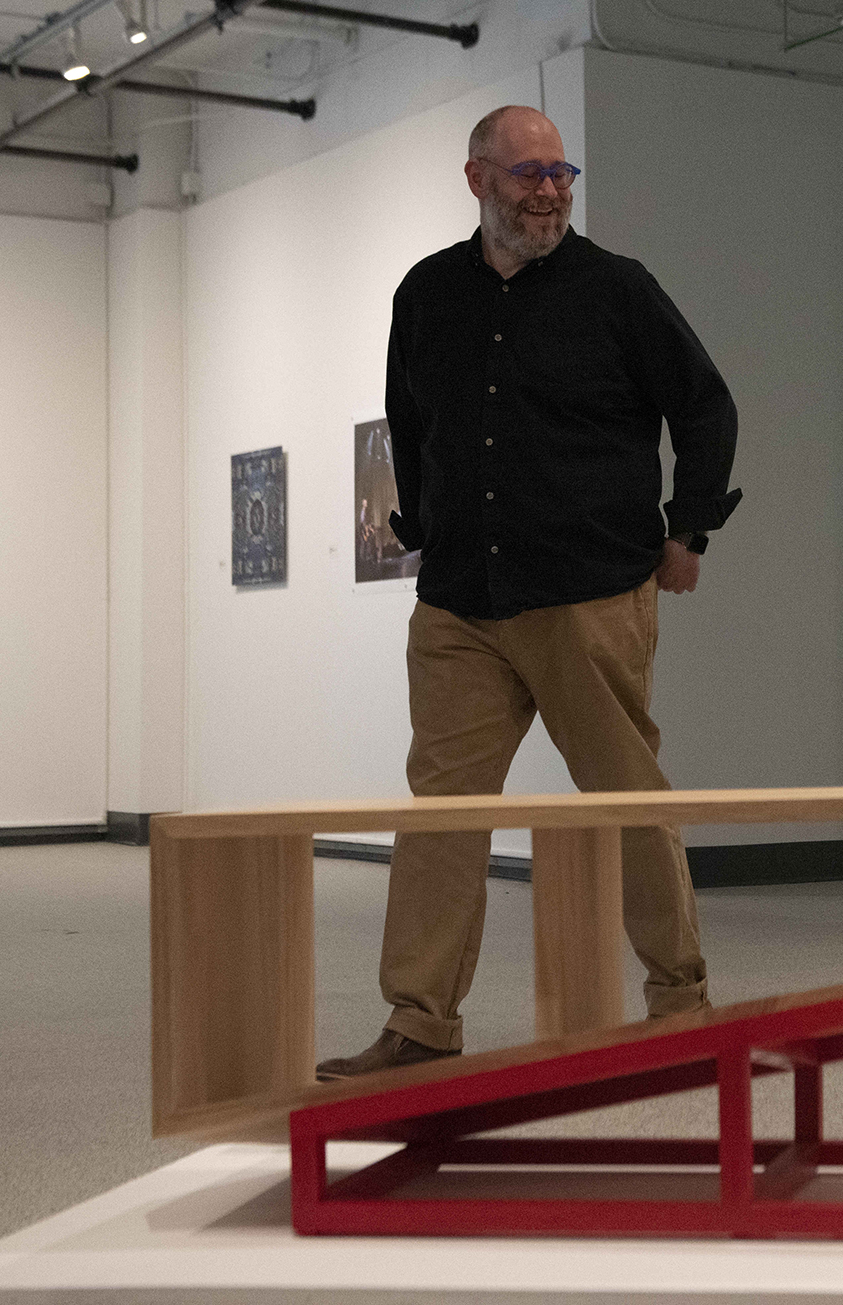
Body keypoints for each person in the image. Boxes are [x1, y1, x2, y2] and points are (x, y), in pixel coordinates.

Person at [318, 104, 741, 1080]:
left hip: (589, 590)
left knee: (629, 800)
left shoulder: (616, 292)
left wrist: (687, 530)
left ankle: (679, 1006)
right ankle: (418, 1023)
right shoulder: (426, 293)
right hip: (462, 599)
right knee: (441, 813)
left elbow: (704, 402)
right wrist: (421, 532)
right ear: (477, 181)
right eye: (526, 174)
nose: (548, 190)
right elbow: (407, 421)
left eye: (560, 173)